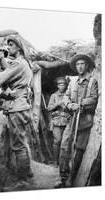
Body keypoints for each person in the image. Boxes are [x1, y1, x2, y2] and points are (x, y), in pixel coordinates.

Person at [0, 34, 34, 187]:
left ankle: (23, 181)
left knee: (18, 145)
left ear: (18, 48)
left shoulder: (18, 64)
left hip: (16, 107)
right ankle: (28, 172)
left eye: (10, 45)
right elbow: (10, 84)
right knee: (22, 141)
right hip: (20, 105)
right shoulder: (23, 63)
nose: (8, 47)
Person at [54, 54, 98, 188]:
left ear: (87, 66)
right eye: (78, 64)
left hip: (85, 122)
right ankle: (63, 177)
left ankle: (72, 179)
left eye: (82, 64)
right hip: (72, 120)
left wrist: (82, 104)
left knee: (78, 150)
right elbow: (66, 96)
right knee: (64, 147)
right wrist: (69, 105)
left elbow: (94, 98)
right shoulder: (72, 82)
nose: (80, 66)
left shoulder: (92, 81)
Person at [47, 77, 70, 167]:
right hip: (56, 121)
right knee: (57, 141)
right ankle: (55, 162)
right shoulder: (54, 96)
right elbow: (49, 108)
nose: (62, 86)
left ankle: (63, 163)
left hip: (66, 121)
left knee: (65, 142)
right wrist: (58, 103)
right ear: (57, 86)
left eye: (63, 84)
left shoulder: (68, 95)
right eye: (60, 84)